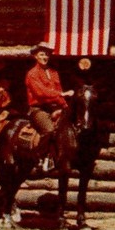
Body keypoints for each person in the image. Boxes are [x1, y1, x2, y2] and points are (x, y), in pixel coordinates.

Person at [24, 42, 74, 171]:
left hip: (54, 107)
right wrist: (61, 94)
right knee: (49, 130)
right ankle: (39, 157)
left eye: (47, 54)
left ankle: (62, 157)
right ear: (35, 56)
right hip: (38, 109)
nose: (45, 57)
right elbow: (40, 93)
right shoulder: (32, 74)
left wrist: (64, 105)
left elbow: (59, 90)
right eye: (42, 54)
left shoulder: (53, 72)